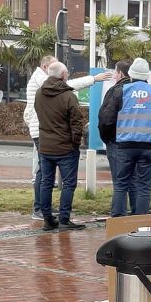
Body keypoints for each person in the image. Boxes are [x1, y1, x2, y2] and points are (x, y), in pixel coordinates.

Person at [23, 56, 111, 220]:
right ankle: (42, 210)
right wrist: (93, 79)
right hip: (45, 133)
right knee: (46, 175)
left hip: (42, 132)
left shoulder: (43, 85)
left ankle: (44, 210)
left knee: (44, 174)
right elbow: (67, 90)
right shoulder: (44, 81)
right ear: (45, 67)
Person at [100, 58, 151, 216]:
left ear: (131, 74)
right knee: (144, 187)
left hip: (125, 146)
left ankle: (118, 220)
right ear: (147, 76)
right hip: (149, 148)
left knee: (121, 185)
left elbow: (107, 119)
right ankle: (139, 223)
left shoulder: (121, 91)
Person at [35, 61, 88, 231]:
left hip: (45, 146)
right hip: (66, 148)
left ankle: (47, 219)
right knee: (69, 183)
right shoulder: (68, 96)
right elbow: (77, 122)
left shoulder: (39, 93)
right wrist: (75, 141)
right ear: (63, 75)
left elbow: (39, 114)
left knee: (46, 182)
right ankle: (64, 219)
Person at [97, 59, 137, 214]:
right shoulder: (141, 91)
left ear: (120, 73)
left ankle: (119, 217)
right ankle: (137, 215)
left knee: (120, 183)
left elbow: (105, 119)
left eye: (115, 72)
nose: (114, 75)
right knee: (135, 182)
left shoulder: (116, 91)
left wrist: (107, 139)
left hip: (117, 142)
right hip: (136, 142)